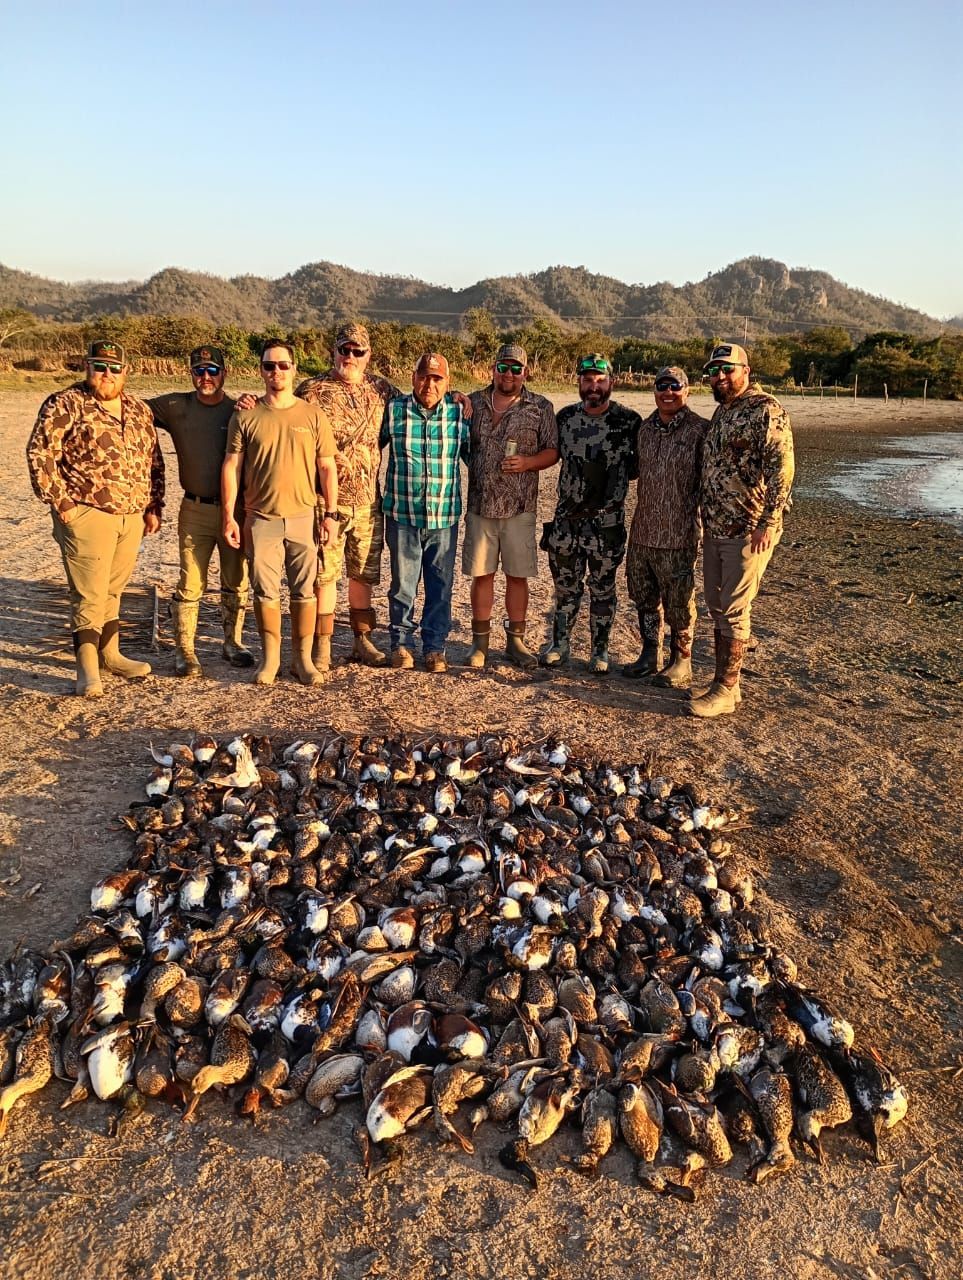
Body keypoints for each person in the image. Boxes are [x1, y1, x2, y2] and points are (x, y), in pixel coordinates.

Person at [26, 339, 164, 698]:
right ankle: (87, 668)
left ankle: (111, 653)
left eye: (114, 368)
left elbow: (153, 458)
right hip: (87, 512)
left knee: (113, 589)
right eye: (99, 366)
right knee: (88, 592)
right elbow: (40, 453)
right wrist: (62, 502)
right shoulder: (66, 403)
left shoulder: (137, 409)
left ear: (126, 372)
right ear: (87, 367)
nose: (106, 374)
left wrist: (154, 505)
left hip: (130, 514)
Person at [221, 340, 338, 687]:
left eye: (283, 365)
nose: (277, 372)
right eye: (269, 366)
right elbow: (232, 467)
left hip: (303, 517)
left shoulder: (312, 415)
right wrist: (230, 516)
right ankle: (271, 658)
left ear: (294, 369)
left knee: (305, 591)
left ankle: (301, 659)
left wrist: (330, 514)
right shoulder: (245, 414)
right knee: (265, 592)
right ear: (261, 370)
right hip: (261, 518)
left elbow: (327, 467)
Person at [692, 342, 795, 717]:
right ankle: (725, 685)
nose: (719, 377)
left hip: (748, 528)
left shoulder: (766, 410)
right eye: (714, 371)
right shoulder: (723, 412)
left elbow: (782, 470)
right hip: (716, 526)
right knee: (717, 606)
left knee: (735, 608)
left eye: (727, 370)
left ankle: (725, 688)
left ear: (746, 371)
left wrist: (769, 521)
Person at [292, 323, 401, 671]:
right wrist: (248, 403)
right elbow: (279, 414)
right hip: (326, 502)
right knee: (325, 573)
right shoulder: (311, 391)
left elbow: (420, 404)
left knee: (363, 572)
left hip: (369, 501)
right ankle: (322, 644)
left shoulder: (383, 390)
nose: (349, 357)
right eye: (344, 350)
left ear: (368, 355)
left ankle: (360, 640)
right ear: (333, 351)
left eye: (357, 351)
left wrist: (457, 398)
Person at [148, 345, 254, 678]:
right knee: (190, 581)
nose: (205, 377)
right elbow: (129, 409)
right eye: (199, 371)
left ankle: (232, 642)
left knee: (236, 580)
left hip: (234, 510)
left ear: (225, 373)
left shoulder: (237, 410)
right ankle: (186, 651)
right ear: (190, 373)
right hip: (194, 508)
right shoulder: (175, 406)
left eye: (212, 371)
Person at [541, 354, 640, 674]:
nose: (593, 386)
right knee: (566, 588)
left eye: (600, 380)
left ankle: (600, 651)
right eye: (587, 380)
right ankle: (560, 644)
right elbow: (550, 453)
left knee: (603, 590)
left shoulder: (629, 422)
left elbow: (638, 468)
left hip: (607, 524)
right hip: (567, 523)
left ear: (611, 382)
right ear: (579, 382)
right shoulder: (565, 418)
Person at [463, 344, 558, 669]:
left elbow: (553, 451)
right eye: (503, 367)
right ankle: (480, 644)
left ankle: (516, 643)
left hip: (519, 507)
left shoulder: (540, 407)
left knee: (518, 577)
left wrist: (529, 462)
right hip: (480, 504)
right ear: (493, 369)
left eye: (516, 369)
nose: (508, 374)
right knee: (482, 575)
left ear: (526, 372)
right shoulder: (473, 402)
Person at [379, 353, 469, 672]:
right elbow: (369, 446)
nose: (429, 383)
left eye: (437, 378)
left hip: (443, 518)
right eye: (424, 376)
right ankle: (401, 644)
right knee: (403, 585)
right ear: (413, 376)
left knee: (440, 585)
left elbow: (474, 457)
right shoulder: (393, 411)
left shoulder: (460, 415)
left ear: (447, 381)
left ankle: (434, 648)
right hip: (403, 515)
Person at [623, 366, 707, 687]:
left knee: (679, 603)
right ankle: (649, 653)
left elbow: (711, 482)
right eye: (662, 386)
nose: (667, 392)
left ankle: (681, 660)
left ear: (686, 390)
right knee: (644, 598)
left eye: (675, 386)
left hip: (679, 535)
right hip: (643, 533)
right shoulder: (644, 430)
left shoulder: (700, 430)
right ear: (654, 391)